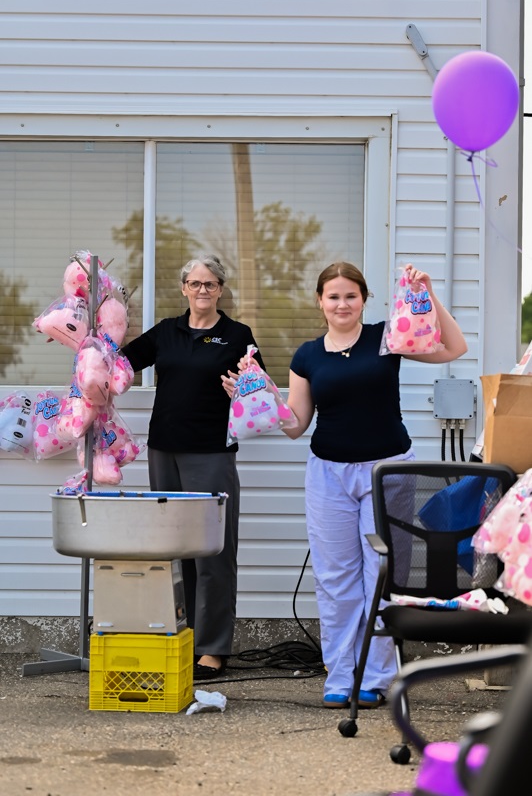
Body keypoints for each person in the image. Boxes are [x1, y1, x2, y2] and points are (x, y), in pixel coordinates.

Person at [280, 261, 468, 709]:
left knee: (381, 576)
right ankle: (341, 674)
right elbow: (295, 424)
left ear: (363, 299)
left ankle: (377, 677)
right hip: (328, 473)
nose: (342, 304)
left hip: (388, 469)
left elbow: (453, 349)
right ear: (320, 302)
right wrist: (258, 400)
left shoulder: (388, 336)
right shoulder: (307, 355)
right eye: (333, 296)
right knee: (335, 577)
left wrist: (427, 292)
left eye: (350, 295)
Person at [121, 254, 264, 679]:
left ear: (221, 289)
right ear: (183, 287)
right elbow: (121, 365)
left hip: (212, 453)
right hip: (164, 450)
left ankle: (213, 648)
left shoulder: (237, 335)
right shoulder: (167, 330)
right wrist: (88, 345)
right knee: (173, 550)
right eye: (195, 283)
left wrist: (243, 388)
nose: (203, 291)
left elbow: (261, 393)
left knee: (214, 553)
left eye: (211, 284)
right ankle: (180, 638)